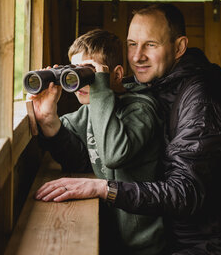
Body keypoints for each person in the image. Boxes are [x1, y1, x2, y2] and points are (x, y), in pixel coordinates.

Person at [36, 4, 221, 255]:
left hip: (211, 244)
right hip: (178, 238)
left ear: (179, 47)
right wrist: (49, 120)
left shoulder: (202, 100)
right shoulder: (154, 86)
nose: (137, 56)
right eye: (132, 44)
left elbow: (184, 193)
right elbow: (97, 158)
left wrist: (104, 189)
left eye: (151, 45)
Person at [30, 29, 167, 255]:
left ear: (115, 74)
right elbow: (77, 158)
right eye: (74, 72)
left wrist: (100, 90)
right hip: (109, 235)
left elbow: (114, 155)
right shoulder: (90, 110)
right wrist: (48, 120)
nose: (80, 81)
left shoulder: (141, 109)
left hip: (142, 245)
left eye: (89, 72)